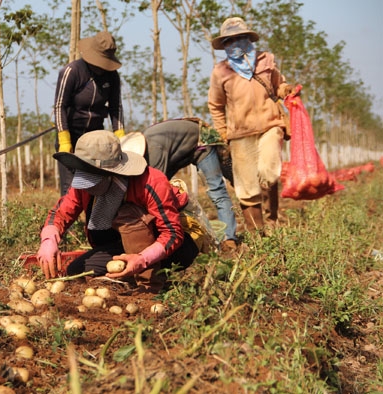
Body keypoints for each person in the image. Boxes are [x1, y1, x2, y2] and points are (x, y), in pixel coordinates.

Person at [36, 130, 199, 292]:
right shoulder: (85, 186)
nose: (88, 187)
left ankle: (150, 288)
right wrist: (49, 240)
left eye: (93, 180)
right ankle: (130, 276)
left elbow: (172, 233)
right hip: (122, 245)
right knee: (76, 271)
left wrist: (142, 260)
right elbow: (62, 212)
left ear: (110, 174)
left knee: (128, 214)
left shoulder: (151, 182)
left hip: (175, 246)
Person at [208, 17, 293, 233]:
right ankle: (258, 232)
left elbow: (279, 84)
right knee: (246, 187)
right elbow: (216, 105)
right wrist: (222, 132)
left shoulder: (266, 62)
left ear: (248, 39)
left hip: (270, 125)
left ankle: (272, 216)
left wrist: (285, 90)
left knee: (268, 169)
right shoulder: (221, 72)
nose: (235, 43)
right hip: (239, 134)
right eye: (229, 40)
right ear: (224, 44)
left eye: (240, 38)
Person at [120, 118, 238, 251]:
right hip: (179, 152)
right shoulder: (147, 149)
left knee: (216, 191)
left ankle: (229, 239)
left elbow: (156, 192)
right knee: (170, 194)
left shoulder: (153, 151)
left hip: (201, 142)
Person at [53, 31, 125, 196]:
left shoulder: (112, 77)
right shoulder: (71, 71)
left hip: (95, 138)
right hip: (70, 134)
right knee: (69, 187)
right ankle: (67, 221)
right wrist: (64, 140)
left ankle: (92, 221)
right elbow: (59, 106)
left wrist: (121, 136)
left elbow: (116, 108)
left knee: (94, 185)